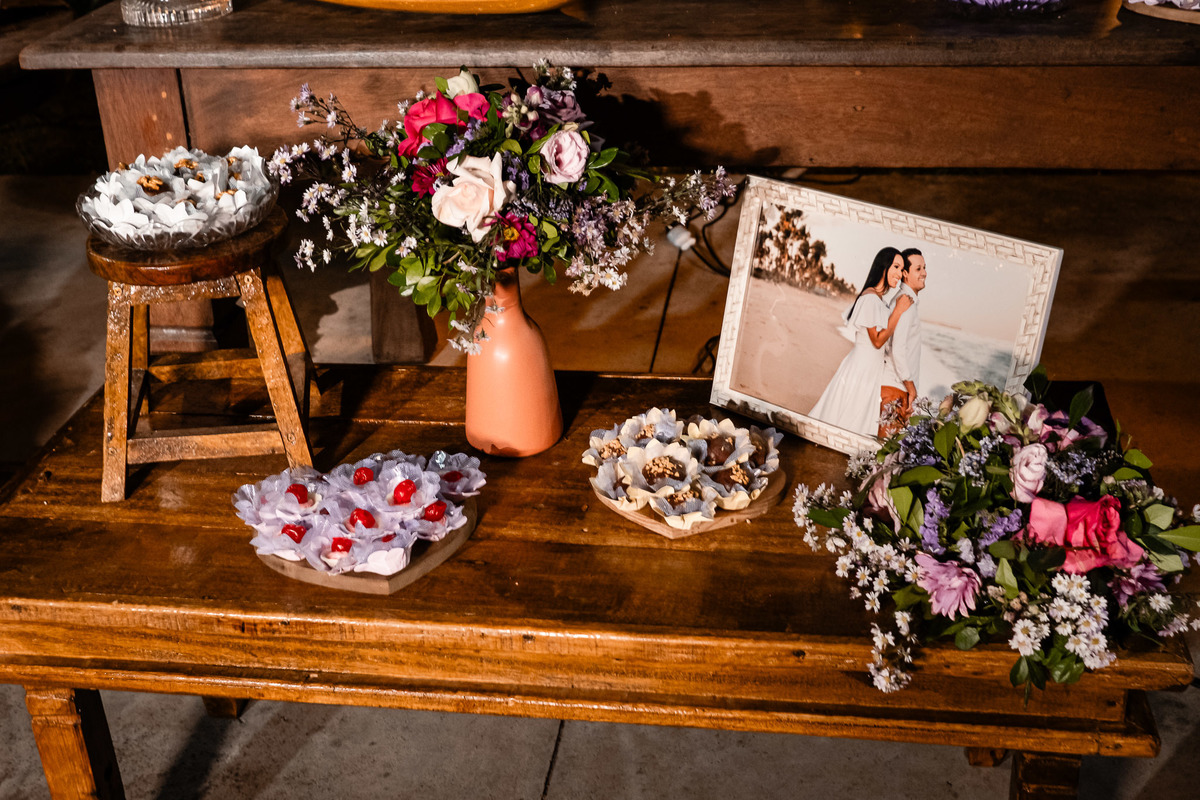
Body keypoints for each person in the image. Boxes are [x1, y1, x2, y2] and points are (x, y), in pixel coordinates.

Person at [809, 247, 908, 436]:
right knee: (848, 417)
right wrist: (898, 311)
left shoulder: (878, 300)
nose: (899, 273)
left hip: (869, 369)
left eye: (902, 269)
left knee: (853, 417)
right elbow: (877, 341)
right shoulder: (871, 298)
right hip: (861, 369)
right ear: (884, 266)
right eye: (896, 266)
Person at [879, 249, 926, 437]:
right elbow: (897, 350)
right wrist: (911, 388)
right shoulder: (906, 304)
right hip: (895, 389)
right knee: (885, 447)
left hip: (897, 388)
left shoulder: (906, 302)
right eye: (918, 269)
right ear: (905, 274)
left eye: (924, 268)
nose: (924, 273)